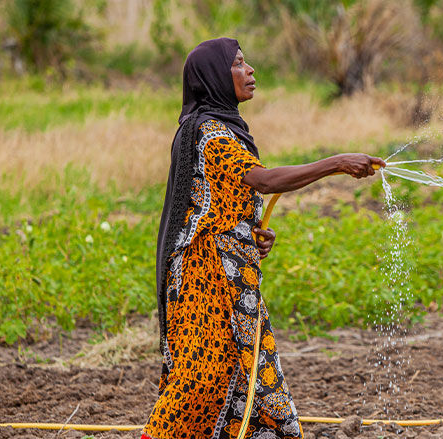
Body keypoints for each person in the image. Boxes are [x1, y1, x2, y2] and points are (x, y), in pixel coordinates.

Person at [143, 38, 385, 439]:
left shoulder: (226, 128)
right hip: (204, 276)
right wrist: (337, 162)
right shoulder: (210, 135)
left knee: (242, 367)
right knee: (198, 375)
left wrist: (249, 234)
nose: (250, 70)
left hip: (231, 272)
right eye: (239, 64)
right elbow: (265, 180)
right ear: (216, 77)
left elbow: (223, 200)